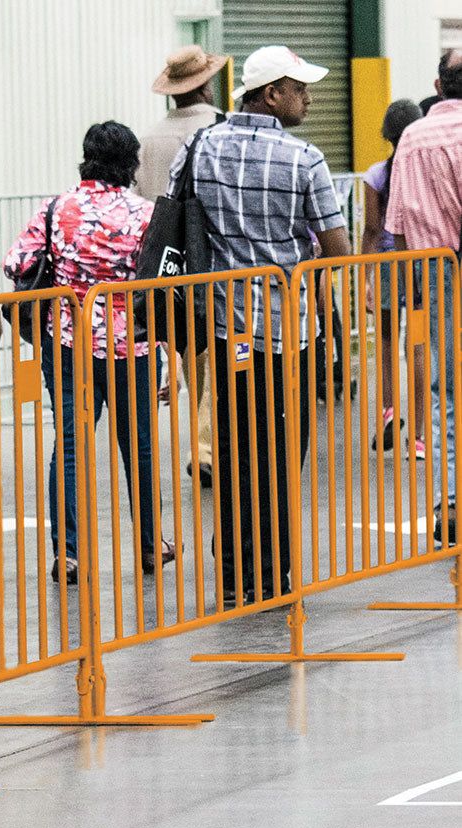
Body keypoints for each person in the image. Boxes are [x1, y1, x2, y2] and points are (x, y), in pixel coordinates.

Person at [169, 45, 352, 605]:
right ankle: (274, 574)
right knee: (281, 449)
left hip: (225, 330)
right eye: (299, 88)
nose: (309, 97)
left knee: (233, 448)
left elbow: (174, 213)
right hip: (287, 329)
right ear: (270, 94)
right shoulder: (305, 159)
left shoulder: (198, 147)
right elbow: (337, 247)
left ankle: (234, 575)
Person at [5, 121, 171, 584]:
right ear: (131, 162)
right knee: (138, 446)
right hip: (132, 343)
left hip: (67, 340)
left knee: (71, 445)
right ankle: (151, 544)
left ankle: (69, 553)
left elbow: (16, 261)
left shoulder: (57, 208)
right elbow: (159, 279)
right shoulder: (144, 213)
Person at [136, 45, 229, 489]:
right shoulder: (217, 128)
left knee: (192, 354)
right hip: (209, 254)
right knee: (216, 354)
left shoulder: (149, 136)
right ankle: (207, 446)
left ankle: (204, 439)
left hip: (163, 260)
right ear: (206, 82)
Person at [386, 49, 462, 545]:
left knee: (445, 392)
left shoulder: (412, 137)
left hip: (437, 274)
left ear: (437, 84)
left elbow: (395, 225)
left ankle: (451, 504)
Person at [361, 99, 425, 459]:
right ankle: (416, 437)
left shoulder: (376, 175)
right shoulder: (421, 171)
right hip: (417, 262)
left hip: (385, 264)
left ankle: (388, 411)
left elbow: (372, 230)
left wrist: (365, 279)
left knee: (385, 341)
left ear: (386, 134)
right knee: (416, 347)